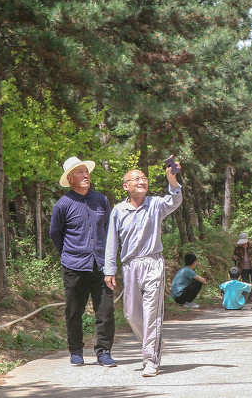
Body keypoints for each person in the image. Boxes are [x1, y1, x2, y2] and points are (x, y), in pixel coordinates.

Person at [104, 159, 183, 378]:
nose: (142, 182)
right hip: (129, 266)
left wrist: (171, 179)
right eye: (136, 179)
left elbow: (175, 200)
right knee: (131, 314)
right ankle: (156, 342)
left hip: (152, 263)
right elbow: (112, 242)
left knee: (151, 314)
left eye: (144, 178)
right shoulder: (118, 210)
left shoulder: (156, 204)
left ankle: (150, 360)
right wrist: (109, 270)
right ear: (125, 186)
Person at [49, 156, 116, 367]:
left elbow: (107, 231)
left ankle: (104, 351)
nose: (86, 175)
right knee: (73, 311)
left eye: (86, 171)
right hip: (73, 266)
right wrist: (70, 254)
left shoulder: (101, 200)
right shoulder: (62, 205)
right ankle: (76, 351)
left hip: (101, 266)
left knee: (105, 311)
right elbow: (55, 234)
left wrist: (110, 262)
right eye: (80, 172)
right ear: (70, 179)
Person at [232, 232, 252, 304]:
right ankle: (248, 298)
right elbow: (234, 256)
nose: (242, 244)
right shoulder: (237, 247)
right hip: (242, 267)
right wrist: (234, 258)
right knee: (246, 283)